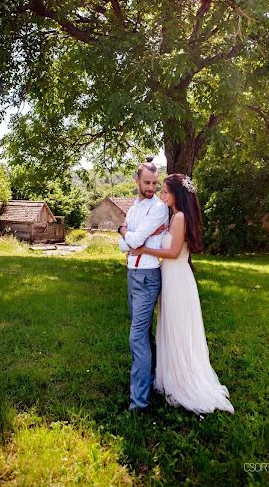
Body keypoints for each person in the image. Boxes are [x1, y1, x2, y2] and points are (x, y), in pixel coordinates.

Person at [129, 173, 235, 415]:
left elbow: (175, 252)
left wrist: (143, 248)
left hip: (176, 279)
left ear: (177, 194)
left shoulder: (178, 217)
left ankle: (182, 382)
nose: (161, 194)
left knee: (176, 329)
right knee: (170, 328)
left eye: (165, 191)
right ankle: (171, 377)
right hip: (172, 278)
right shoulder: (175, 216)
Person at [118, 159, 169, 412]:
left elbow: (135, 239)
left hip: (148, 276)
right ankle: (153, 379)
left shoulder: (159, 209)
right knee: (144, 333)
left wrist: (122, 231)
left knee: (136, 336)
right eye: (147, 182)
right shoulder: (133, 208)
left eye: (155, 183)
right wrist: (127, 236)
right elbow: (125, 245)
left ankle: (139, 401)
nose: (151, 187)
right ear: (137, 181)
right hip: (132, 274)